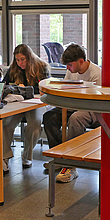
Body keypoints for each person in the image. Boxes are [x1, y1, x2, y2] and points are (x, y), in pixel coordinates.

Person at [0, 44, 50, 178]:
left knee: (35, 124)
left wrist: (28, 89)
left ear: (29, 58)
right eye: (17, 60)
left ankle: (27, 155)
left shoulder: (42, 67)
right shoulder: (14, 69)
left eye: (23, 59)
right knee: (5, 123)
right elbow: (3, 86)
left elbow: (45, 89)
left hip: (36, 103)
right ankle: (3, 160)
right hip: (18, 102)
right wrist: (15, 89)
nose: (20, 63)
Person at [43, 43, 101, 183]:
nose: (68, 68)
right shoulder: (72, 71)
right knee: (49, 117)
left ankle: (71, 166)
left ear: (81, 61)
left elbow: (96, 100)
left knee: (76, 119)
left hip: (93, 108)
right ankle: (59, 157)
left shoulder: (96, 73)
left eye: (70, 65)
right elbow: (65, 88)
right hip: (72, 104)